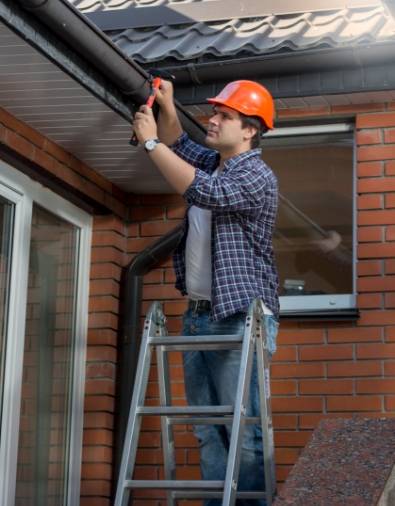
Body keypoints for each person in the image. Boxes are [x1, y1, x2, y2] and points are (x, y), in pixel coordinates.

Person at [133, 79, 280, 505]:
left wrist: (149, 145)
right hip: (199, 314)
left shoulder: (255, 174)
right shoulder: (216, 163)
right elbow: (179, 146)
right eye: (215, 113)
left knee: (243, 428)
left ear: (250, 130)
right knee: (205, 428)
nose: (212, 120)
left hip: (239, 317)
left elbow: (204, 191)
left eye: (224, 116)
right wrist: (168, 106)